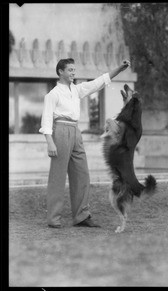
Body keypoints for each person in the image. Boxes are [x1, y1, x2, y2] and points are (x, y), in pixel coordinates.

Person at [39, 58, 131, 228]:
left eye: (74, 70)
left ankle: (81, 216)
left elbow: (98, 82)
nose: (73, 73)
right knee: (57, 177)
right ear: (60, 72)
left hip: (75, 132)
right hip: (60, 130)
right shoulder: (52, 95)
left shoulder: (76, 90)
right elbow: (46, 120)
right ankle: (53, 219)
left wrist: (120, 68)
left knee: (82, 174)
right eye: (70, 70)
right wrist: (50, 142)